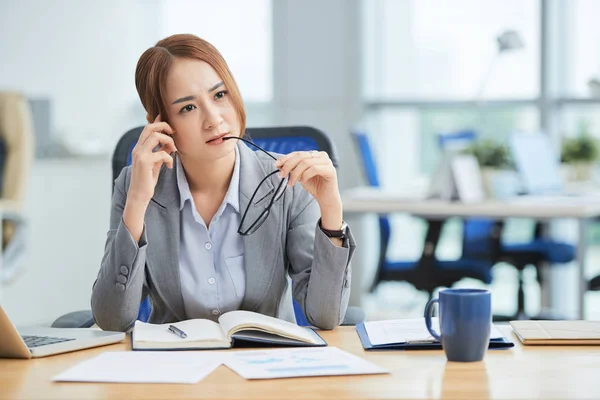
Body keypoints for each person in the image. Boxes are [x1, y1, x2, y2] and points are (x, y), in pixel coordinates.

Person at [91, 34, 355, 332]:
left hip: (268, 367)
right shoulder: (135, 186)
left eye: (219, 95)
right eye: (188, 108)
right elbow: (112, 319)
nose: (214, 120)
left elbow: (325, 316)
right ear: (160, 124)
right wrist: (137, 202)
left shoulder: (287, 184)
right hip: (174, 370)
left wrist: (331, 209)